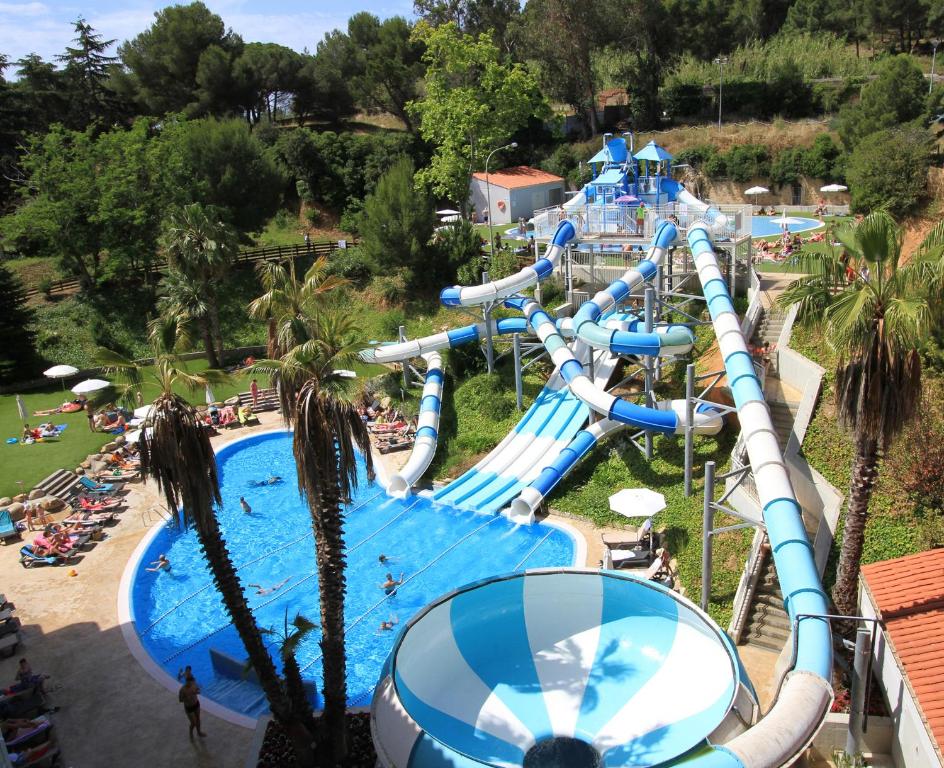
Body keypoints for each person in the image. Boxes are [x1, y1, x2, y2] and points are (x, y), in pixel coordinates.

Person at [178, 672, 206, 738]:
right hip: (189, 707)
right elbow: (180, 700)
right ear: (186, 682)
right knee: (193, 723)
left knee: (198, 719)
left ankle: (199, 732)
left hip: (196, 704)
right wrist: (186, 698)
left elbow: (198, 690)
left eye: (191, 682)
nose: (190, 684)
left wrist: (197, 692)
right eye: (189, 683)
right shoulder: (182, 690)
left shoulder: (194, 685)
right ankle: (191, 733)